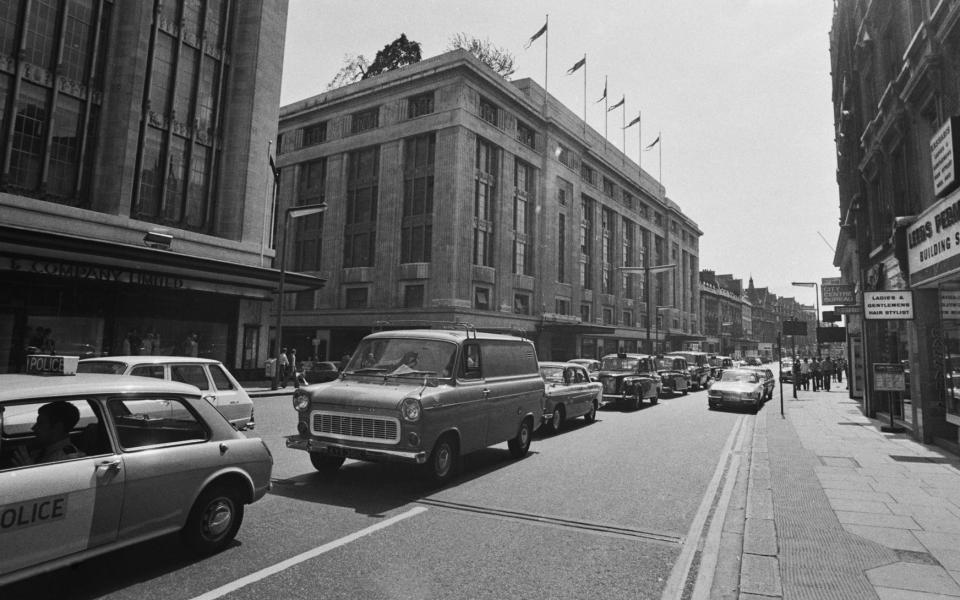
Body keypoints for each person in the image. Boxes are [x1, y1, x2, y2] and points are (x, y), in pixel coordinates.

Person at [10, 401, 85, 467]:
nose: (34, 428)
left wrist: (29, 469)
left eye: (40, 423)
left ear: (57, 427)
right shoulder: (44, 450)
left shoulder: (69, 460)